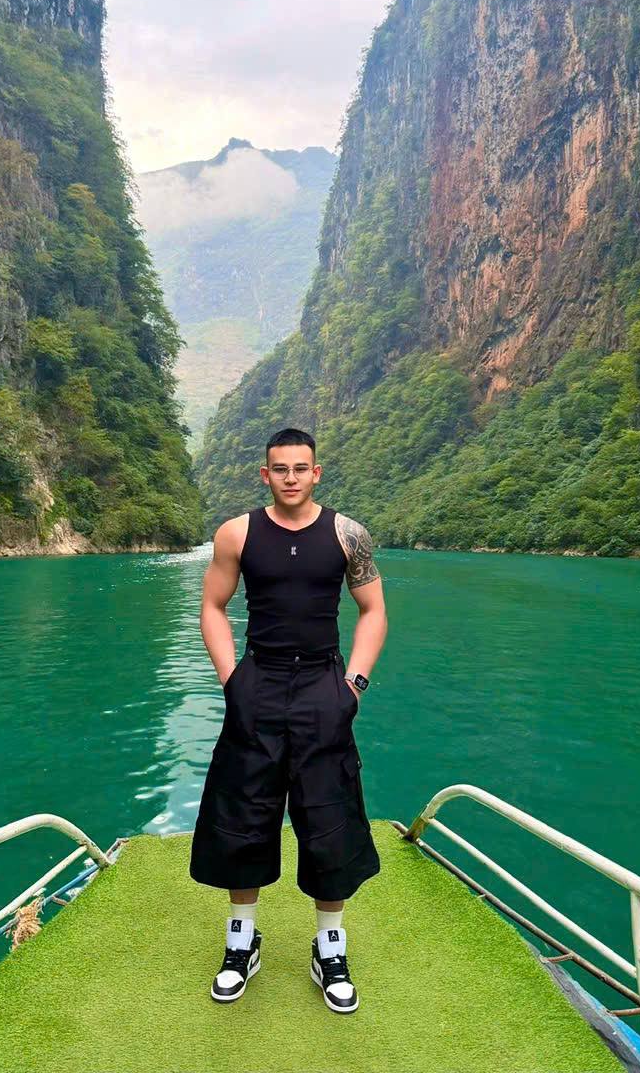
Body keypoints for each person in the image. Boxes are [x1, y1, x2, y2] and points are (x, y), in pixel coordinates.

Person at [189, 426, 387, 1013]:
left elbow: (373, 611)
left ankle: (330, 947)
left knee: (330, 814)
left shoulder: (348, 535)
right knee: (243, 810)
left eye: (301, 468)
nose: (291, 478)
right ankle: (241, 941)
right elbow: (213, 606)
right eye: (281, 468)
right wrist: (232, 680)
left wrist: (354, 686)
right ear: (266, 474)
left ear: (316, 472)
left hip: (324, 686)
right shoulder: (237, 533)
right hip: (259, 682)